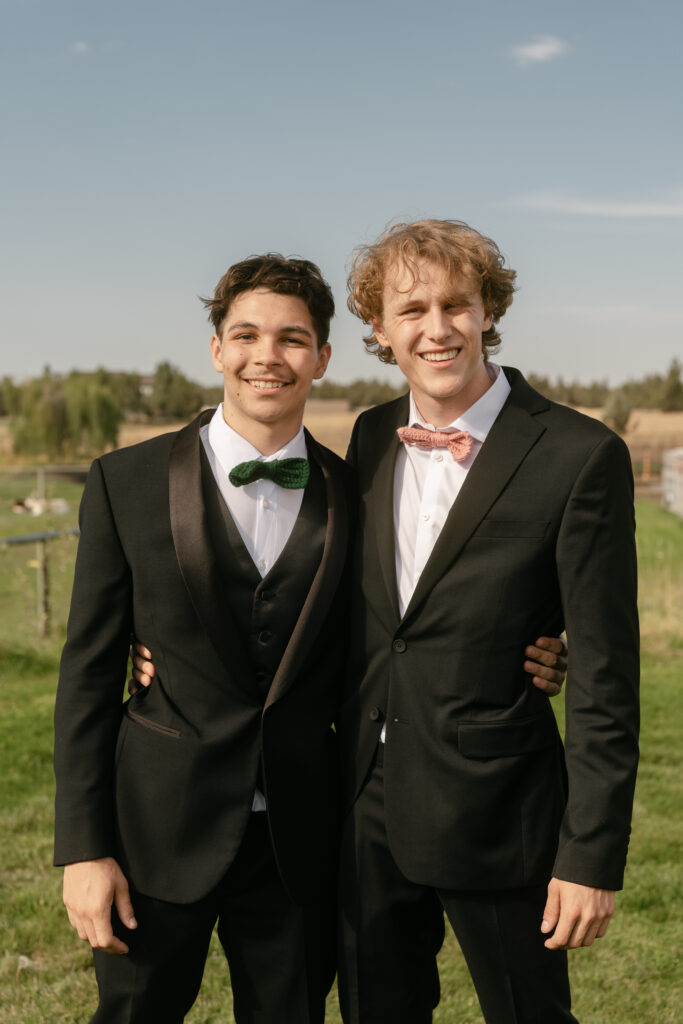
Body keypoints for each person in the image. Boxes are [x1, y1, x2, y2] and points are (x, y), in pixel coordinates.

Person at [336, 219, 640, 1024]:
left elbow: (607, 677)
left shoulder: (579, 454)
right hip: (364, 805)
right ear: (378, 328)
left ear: (487, 311)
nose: (435, 329)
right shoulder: (367, 438)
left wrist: (590, 856)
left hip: (500, 807)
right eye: (410, 310)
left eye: (454, 305)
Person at [54, 254, 354, 1024]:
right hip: (156, 829)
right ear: (217, 348)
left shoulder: (352, 495)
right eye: (246, 334)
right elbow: (87, 676)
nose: (267, 356)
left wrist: (537, 652)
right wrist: (84, 850)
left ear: (321, 357)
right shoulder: (124, 481)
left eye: (292, 339)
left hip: (297, 839)